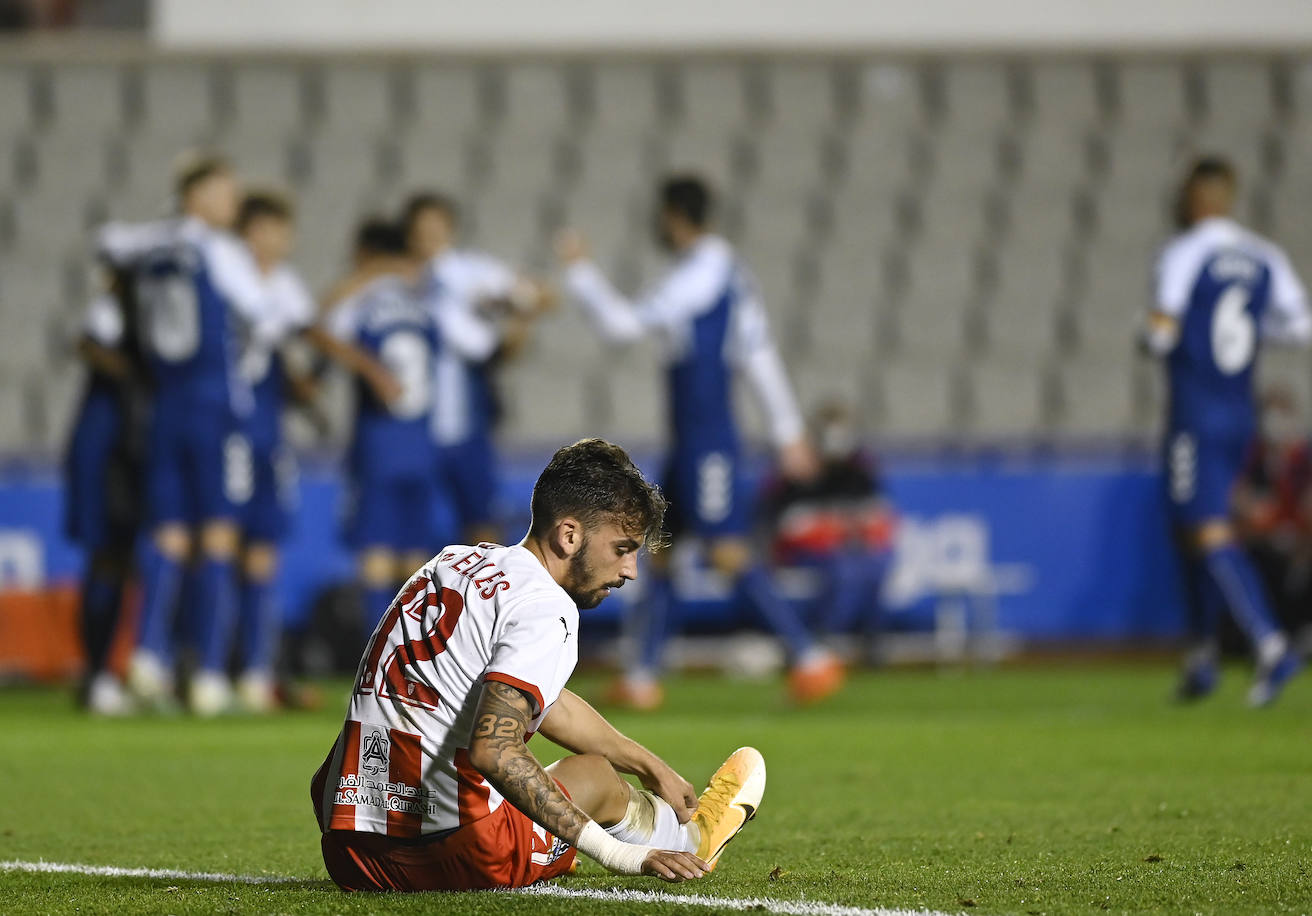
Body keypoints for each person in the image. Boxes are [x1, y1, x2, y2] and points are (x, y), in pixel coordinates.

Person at [311, 438, 763, 892]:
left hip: (348, 847)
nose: (631, 571)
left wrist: (649, 765)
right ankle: (690, 838)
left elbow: (543, 698)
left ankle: (549, 845)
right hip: (451, 855)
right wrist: (620, 854)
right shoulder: (546, 608)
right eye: (623, 549)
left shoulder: (451, 563)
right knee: (594, 776)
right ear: (570, 536)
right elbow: (495, 750)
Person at [557, 174, 843, 708]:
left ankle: (810, 658)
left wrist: (580, 272)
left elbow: (623, 325)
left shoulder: (700, 274)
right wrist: (787, 431)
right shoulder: (728, 274)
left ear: (673, 216)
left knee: (726, 551)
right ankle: (641, 677)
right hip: (691, 442)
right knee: (661, 548)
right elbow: (759, 354)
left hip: (709, 442)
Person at [96, 152, 275, 715]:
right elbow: (264, 313)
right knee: (220, 536)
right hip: (215, 409)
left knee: (169, 536)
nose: (234, 204)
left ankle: (148, 658)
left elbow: (108, 242)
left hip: (163, 406)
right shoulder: (219, 250)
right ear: (197, 197)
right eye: (225, 194)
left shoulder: (150, 247)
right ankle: (209, 675)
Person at [1142, 156, 1312, 706]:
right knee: (1187, 529)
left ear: (1194, 199)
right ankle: (1202, 659)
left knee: (1207, 530)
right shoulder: (1265, 255)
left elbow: (1161, 335)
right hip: (1240, 410)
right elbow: (1301, 325)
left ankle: (1270, 646)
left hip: (1196, 409)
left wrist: (1151, 333)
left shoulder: (1184, 253)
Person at [313, 219, 442, 636]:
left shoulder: (366, 300)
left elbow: (316, 324)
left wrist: (368, 369)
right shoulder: (426, 300)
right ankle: (416, 661)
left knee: (378, 552)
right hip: (421, 439)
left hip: (381, 440)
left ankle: (378, 657)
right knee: (415, 556)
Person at [400, 192, 551, 546]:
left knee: (482, 526)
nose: (429, 239)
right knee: (409, 533)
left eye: (436, 229)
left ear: (450, 229)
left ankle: (487, 600)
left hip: (466, 422)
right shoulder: (400, 279)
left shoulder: (470, 271)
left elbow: (540, 294)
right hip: (413, 425)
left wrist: (514, 306)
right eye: (422, 231)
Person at [232, 189, 316, 711]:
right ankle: (206, 669)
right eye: (273, 230)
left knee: (261, 554)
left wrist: (303, 385)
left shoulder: (283, 284)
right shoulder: (227, 281)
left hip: (266, 435)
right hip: (226, 430)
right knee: (213, 551)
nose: (281, 242)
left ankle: (255, 672)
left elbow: (293, 343)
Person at [62, 274, 144, 715]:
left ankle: (108, 671)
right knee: (106, 559)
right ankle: (96, 673)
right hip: (105, 452)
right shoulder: (116, 313)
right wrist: (138, 370)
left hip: (133, 451)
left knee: (124, 562)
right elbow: (89, 342)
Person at [764, 401, 897, 661]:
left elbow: (879, 515)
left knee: (877, 564)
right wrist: (834, 526)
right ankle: (823, 636)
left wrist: (844, 526)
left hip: (848, 548)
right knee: (842, 568)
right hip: (804, 552)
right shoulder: (796, 468)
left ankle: (872, 638)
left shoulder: (860, 469)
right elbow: (785, 523)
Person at [1233, 387, 1312, 634]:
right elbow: (1241, 502)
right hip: (1260, 542)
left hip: (1296, 542)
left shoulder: (1302, 460)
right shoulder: (1251, 457)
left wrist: (1300, 541)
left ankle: (1293, 635)